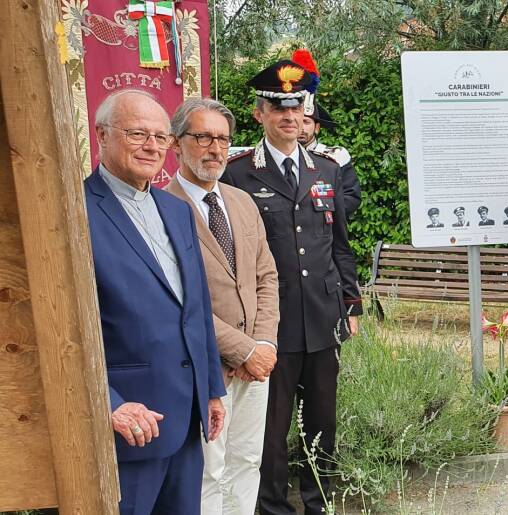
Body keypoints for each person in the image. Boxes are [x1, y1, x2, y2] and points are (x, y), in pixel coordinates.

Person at [222, 60, 363, 515]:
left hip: (323, 316)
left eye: (296, 107)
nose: (289, 117)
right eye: (277, 108)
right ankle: (272, 508)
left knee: (323, 421)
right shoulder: (237, 172)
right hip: (270, 321)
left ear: (306, 113)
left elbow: (339, 241)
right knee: (271, 425)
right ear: (259, 113)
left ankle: (320, 503)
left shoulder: (327, 169)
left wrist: (352, 303)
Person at [84, 89, 226, 514]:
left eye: (161, 137)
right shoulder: (74, 210)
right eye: (137, 134)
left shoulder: (175, 209)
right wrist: (108, 403)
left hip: (185, 421)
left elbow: (195, 308)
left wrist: (212, 389)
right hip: (127, 421)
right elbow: (62, 328)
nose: (151, 146)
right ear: (102, 135)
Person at [165, 97, 280, 515]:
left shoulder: (242, 202)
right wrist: (243, 349)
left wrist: (264, 343)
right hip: (206, 367)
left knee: (247, 462)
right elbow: (177, 300)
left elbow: (267, 276)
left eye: (223, 139)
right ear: (177, 143)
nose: (215, 149)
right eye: (203, 137)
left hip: (256, 367)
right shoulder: (162, 209)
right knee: (208, 473)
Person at [292, 48, 361, 220]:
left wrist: (322, 216)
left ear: (317, 127)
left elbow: (351, 197)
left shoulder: (335, 157)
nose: (301, 128)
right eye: (297, 122)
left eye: (306, 122)